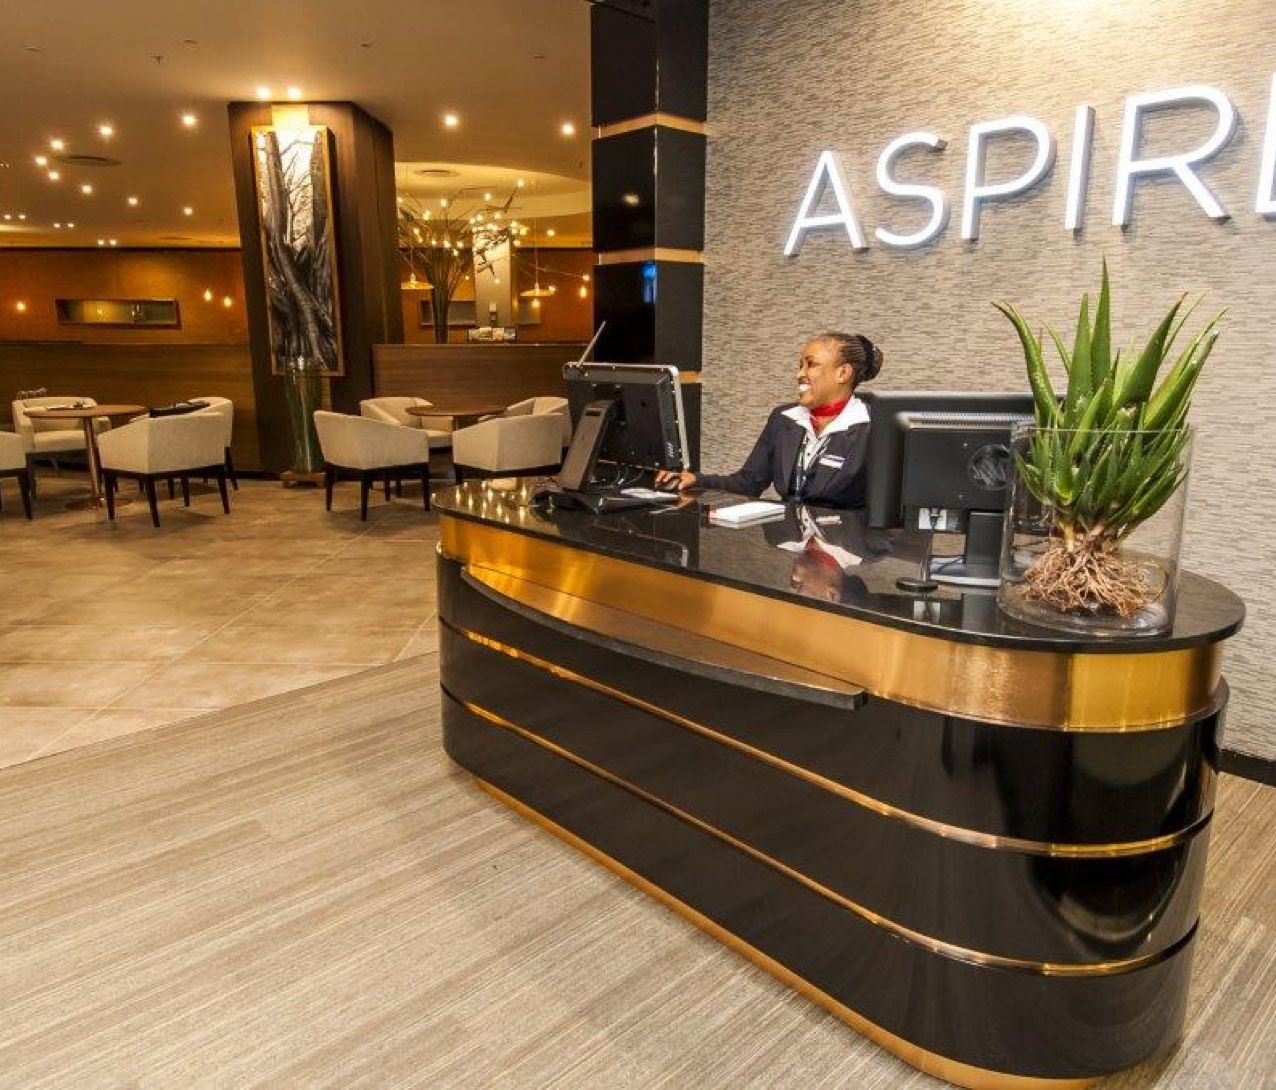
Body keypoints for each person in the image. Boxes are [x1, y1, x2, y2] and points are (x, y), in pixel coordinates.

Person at [657, 332, 883, 506]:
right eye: (800, 365)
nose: (800, 374)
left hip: (845, 547)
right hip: (790, 544)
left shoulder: (876, 428)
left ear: (843, 373)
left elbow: (886, 516)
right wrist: (696, 480)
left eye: (811, 364)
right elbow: (748, 483)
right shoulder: (783, 419)